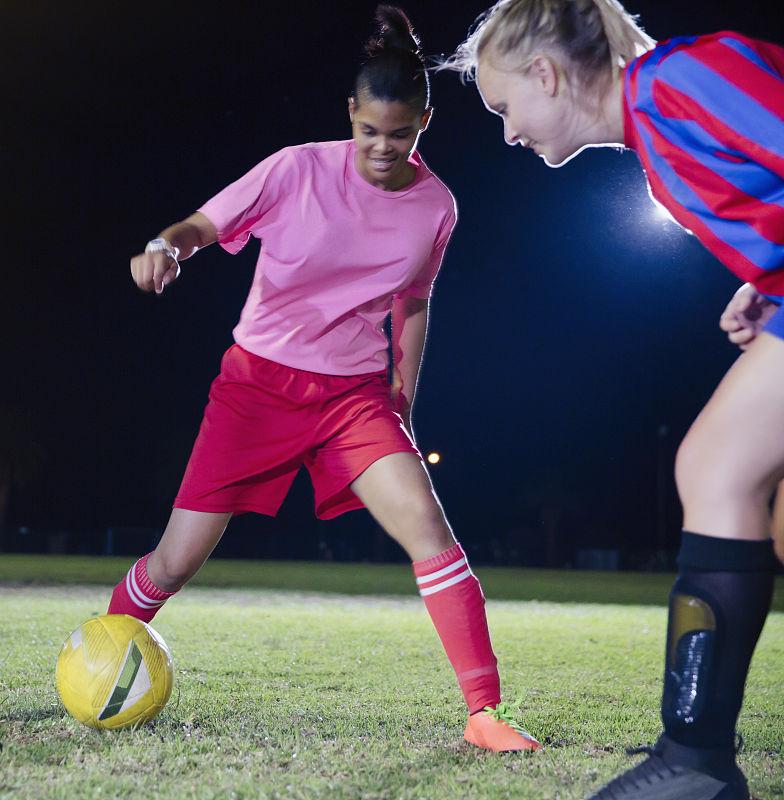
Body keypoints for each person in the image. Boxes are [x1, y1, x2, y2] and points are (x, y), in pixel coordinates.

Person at [105, 4, 540, 753]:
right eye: (369, 130)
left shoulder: (436, 207)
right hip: (256, 388)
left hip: (351, 398)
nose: (381, 147)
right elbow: (201, 226)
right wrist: (164, 248)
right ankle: (103, 645)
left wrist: (403, 396)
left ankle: (484, 712)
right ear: (350, 114)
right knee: (174, 561)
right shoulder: (295, 169)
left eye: (398, 134)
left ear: (424, 124)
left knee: (429, 529)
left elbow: (413, 303)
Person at [441, 1, 783, 796]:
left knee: (717, 468)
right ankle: (695, 762)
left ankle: (694, 764)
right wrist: (764, 283)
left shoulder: (679, 80)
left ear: (545, 74)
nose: (508, 132)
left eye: (504, 108)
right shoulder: (656, 135)